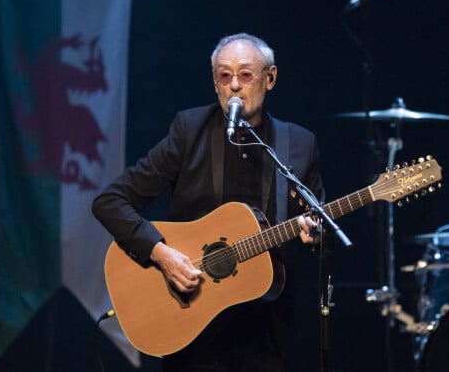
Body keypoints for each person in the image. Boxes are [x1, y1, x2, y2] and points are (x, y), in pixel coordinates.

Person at [92, 32, 325, 372]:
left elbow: (318, 229)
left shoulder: (299, 144)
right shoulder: (190, 130)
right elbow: (110, 201)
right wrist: (161, 253)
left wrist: (314, 236)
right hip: (189, 322)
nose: (234, 86)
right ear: (215, 83)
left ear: (269, 78)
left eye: (245, 75)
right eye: (224, 75)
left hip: (265, 332)